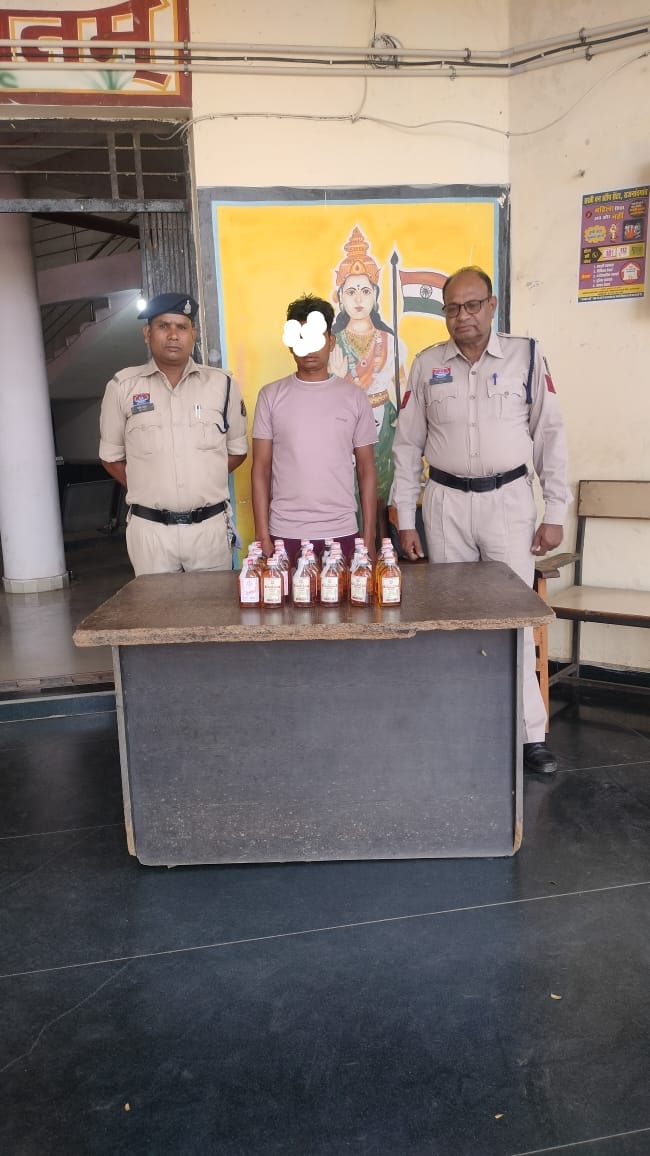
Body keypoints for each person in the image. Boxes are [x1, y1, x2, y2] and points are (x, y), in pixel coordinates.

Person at [391, 266, 569, 776]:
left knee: (514, 619)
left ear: (492, 306)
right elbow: (407, 446)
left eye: (472, 305)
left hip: (508, 502)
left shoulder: (526, 356)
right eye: (452, 308)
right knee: (454, 623)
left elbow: (550, 434)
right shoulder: (427, 364)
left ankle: (530, 735)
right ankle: (462, 725)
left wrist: (555, 512)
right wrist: (406, 518)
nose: (462, 316)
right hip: (445, 503)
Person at [99, 292, 248, 575]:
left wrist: (202, 476)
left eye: (181, 327)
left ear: (193, 335)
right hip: (151, 533)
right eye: (163, 326)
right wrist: (149, 484)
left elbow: (237, 451)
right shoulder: (122, 387)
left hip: (209, 530)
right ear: (147, 333)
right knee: (155, 605)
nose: (173, 335)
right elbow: (111, 457)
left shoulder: (223, 385)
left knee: (212, 604)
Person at [251, 293, 377, 564]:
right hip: (285, 533)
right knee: (284, 595)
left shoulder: (354, 398)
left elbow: (367, 469)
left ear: (331, 341)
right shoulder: (270, 396)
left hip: (342, 531)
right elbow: (260, 468)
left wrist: (369, 537)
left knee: (346, 594)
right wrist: (262, 534)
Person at [329, 227, 405, 541]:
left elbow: (402, 387)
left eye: (365, 290)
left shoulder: (390, 341)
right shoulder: (332, 344)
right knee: (348, 490)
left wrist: (404, 417)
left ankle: (381, 552)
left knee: (381, 491)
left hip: (383, 427)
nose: (358, 299)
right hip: (344, 429)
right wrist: (337, 379)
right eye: (351, 291)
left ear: (375, 295)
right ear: (339, 297)